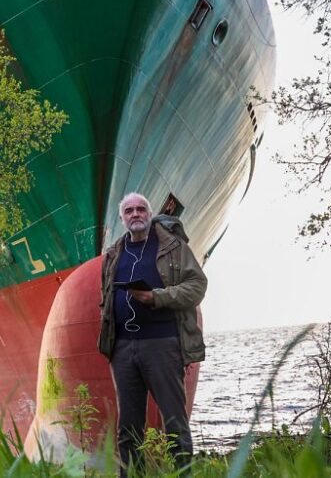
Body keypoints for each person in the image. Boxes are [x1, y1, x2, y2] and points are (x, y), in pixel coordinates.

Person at [97, 192, 207, 475]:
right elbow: (105, 297)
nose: (136, 214)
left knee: (174, 421)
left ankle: (184, 473)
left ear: (150, 213)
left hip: (162, 344)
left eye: (141, 209)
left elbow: (197, 285)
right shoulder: (112, 254)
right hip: (122, 348)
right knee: (128, 427)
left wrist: (157, 297)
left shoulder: (172, 245)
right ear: (122, 218)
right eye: (130, 211)